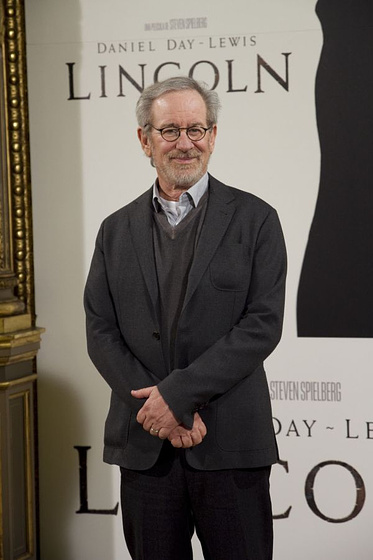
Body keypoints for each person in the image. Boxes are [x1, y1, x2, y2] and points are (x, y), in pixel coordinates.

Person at [84, 76, 287, 560]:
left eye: (197, 129)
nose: (185, 143)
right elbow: (100, 329)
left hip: (229, 445)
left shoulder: (257, 220)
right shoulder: (115, 230)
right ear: (145, 140)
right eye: (170, 130)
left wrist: (175, 397)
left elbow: (262, 324)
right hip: (146, 447)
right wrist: (159, 414)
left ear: (213, 137)